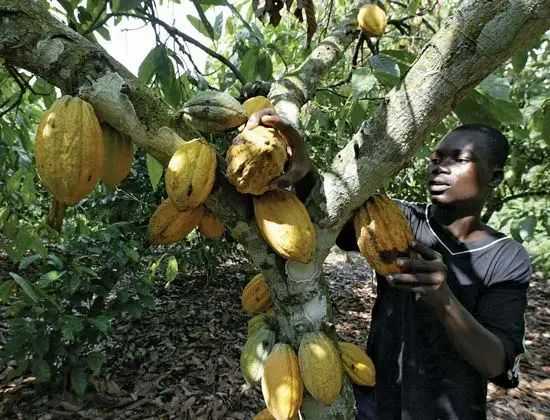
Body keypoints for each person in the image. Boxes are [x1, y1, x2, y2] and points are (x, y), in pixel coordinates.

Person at [247, 111, 532, 420]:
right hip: (377, 401)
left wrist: (444, 301)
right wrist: (301, 164)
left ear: (495, 176)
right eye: (435, 159)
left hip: (447, 410)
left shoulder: (506, 256)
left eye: (458, 159)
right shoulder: (398, 218)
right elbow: (332, 221)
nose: (439, 167)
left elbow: (499, 365)